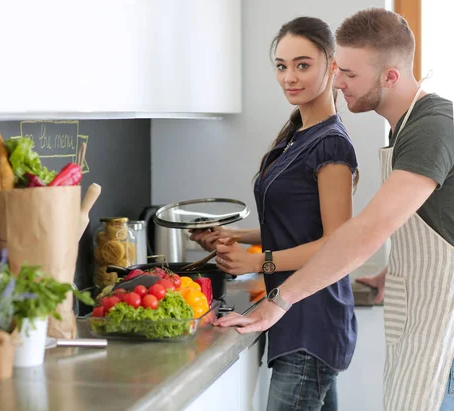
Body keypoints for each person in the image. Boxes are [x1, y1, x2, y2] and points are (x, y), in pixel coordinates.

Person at [214, 8, 454, 411]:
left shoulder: (432, 127)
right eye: (338, 70)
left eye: (349, 75)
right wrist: (394, 272)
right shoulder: (406, 128)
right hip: (426, 313)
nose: (337, 83)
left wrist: (279, 301)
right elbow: (434, 226)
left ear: (390, 77)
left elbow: (368, 230)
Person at [191, 16, 359, 411]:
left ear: (332, 66)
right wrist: (233, 236)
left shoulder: (331, 146)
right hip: (292, 317)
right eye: (282, 66)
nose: (289, 77)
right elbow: (295, 227)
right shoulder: (299, 135)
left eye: (303, 65)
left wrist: (258, 261)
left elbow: (336, 244)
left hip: (311, 319)